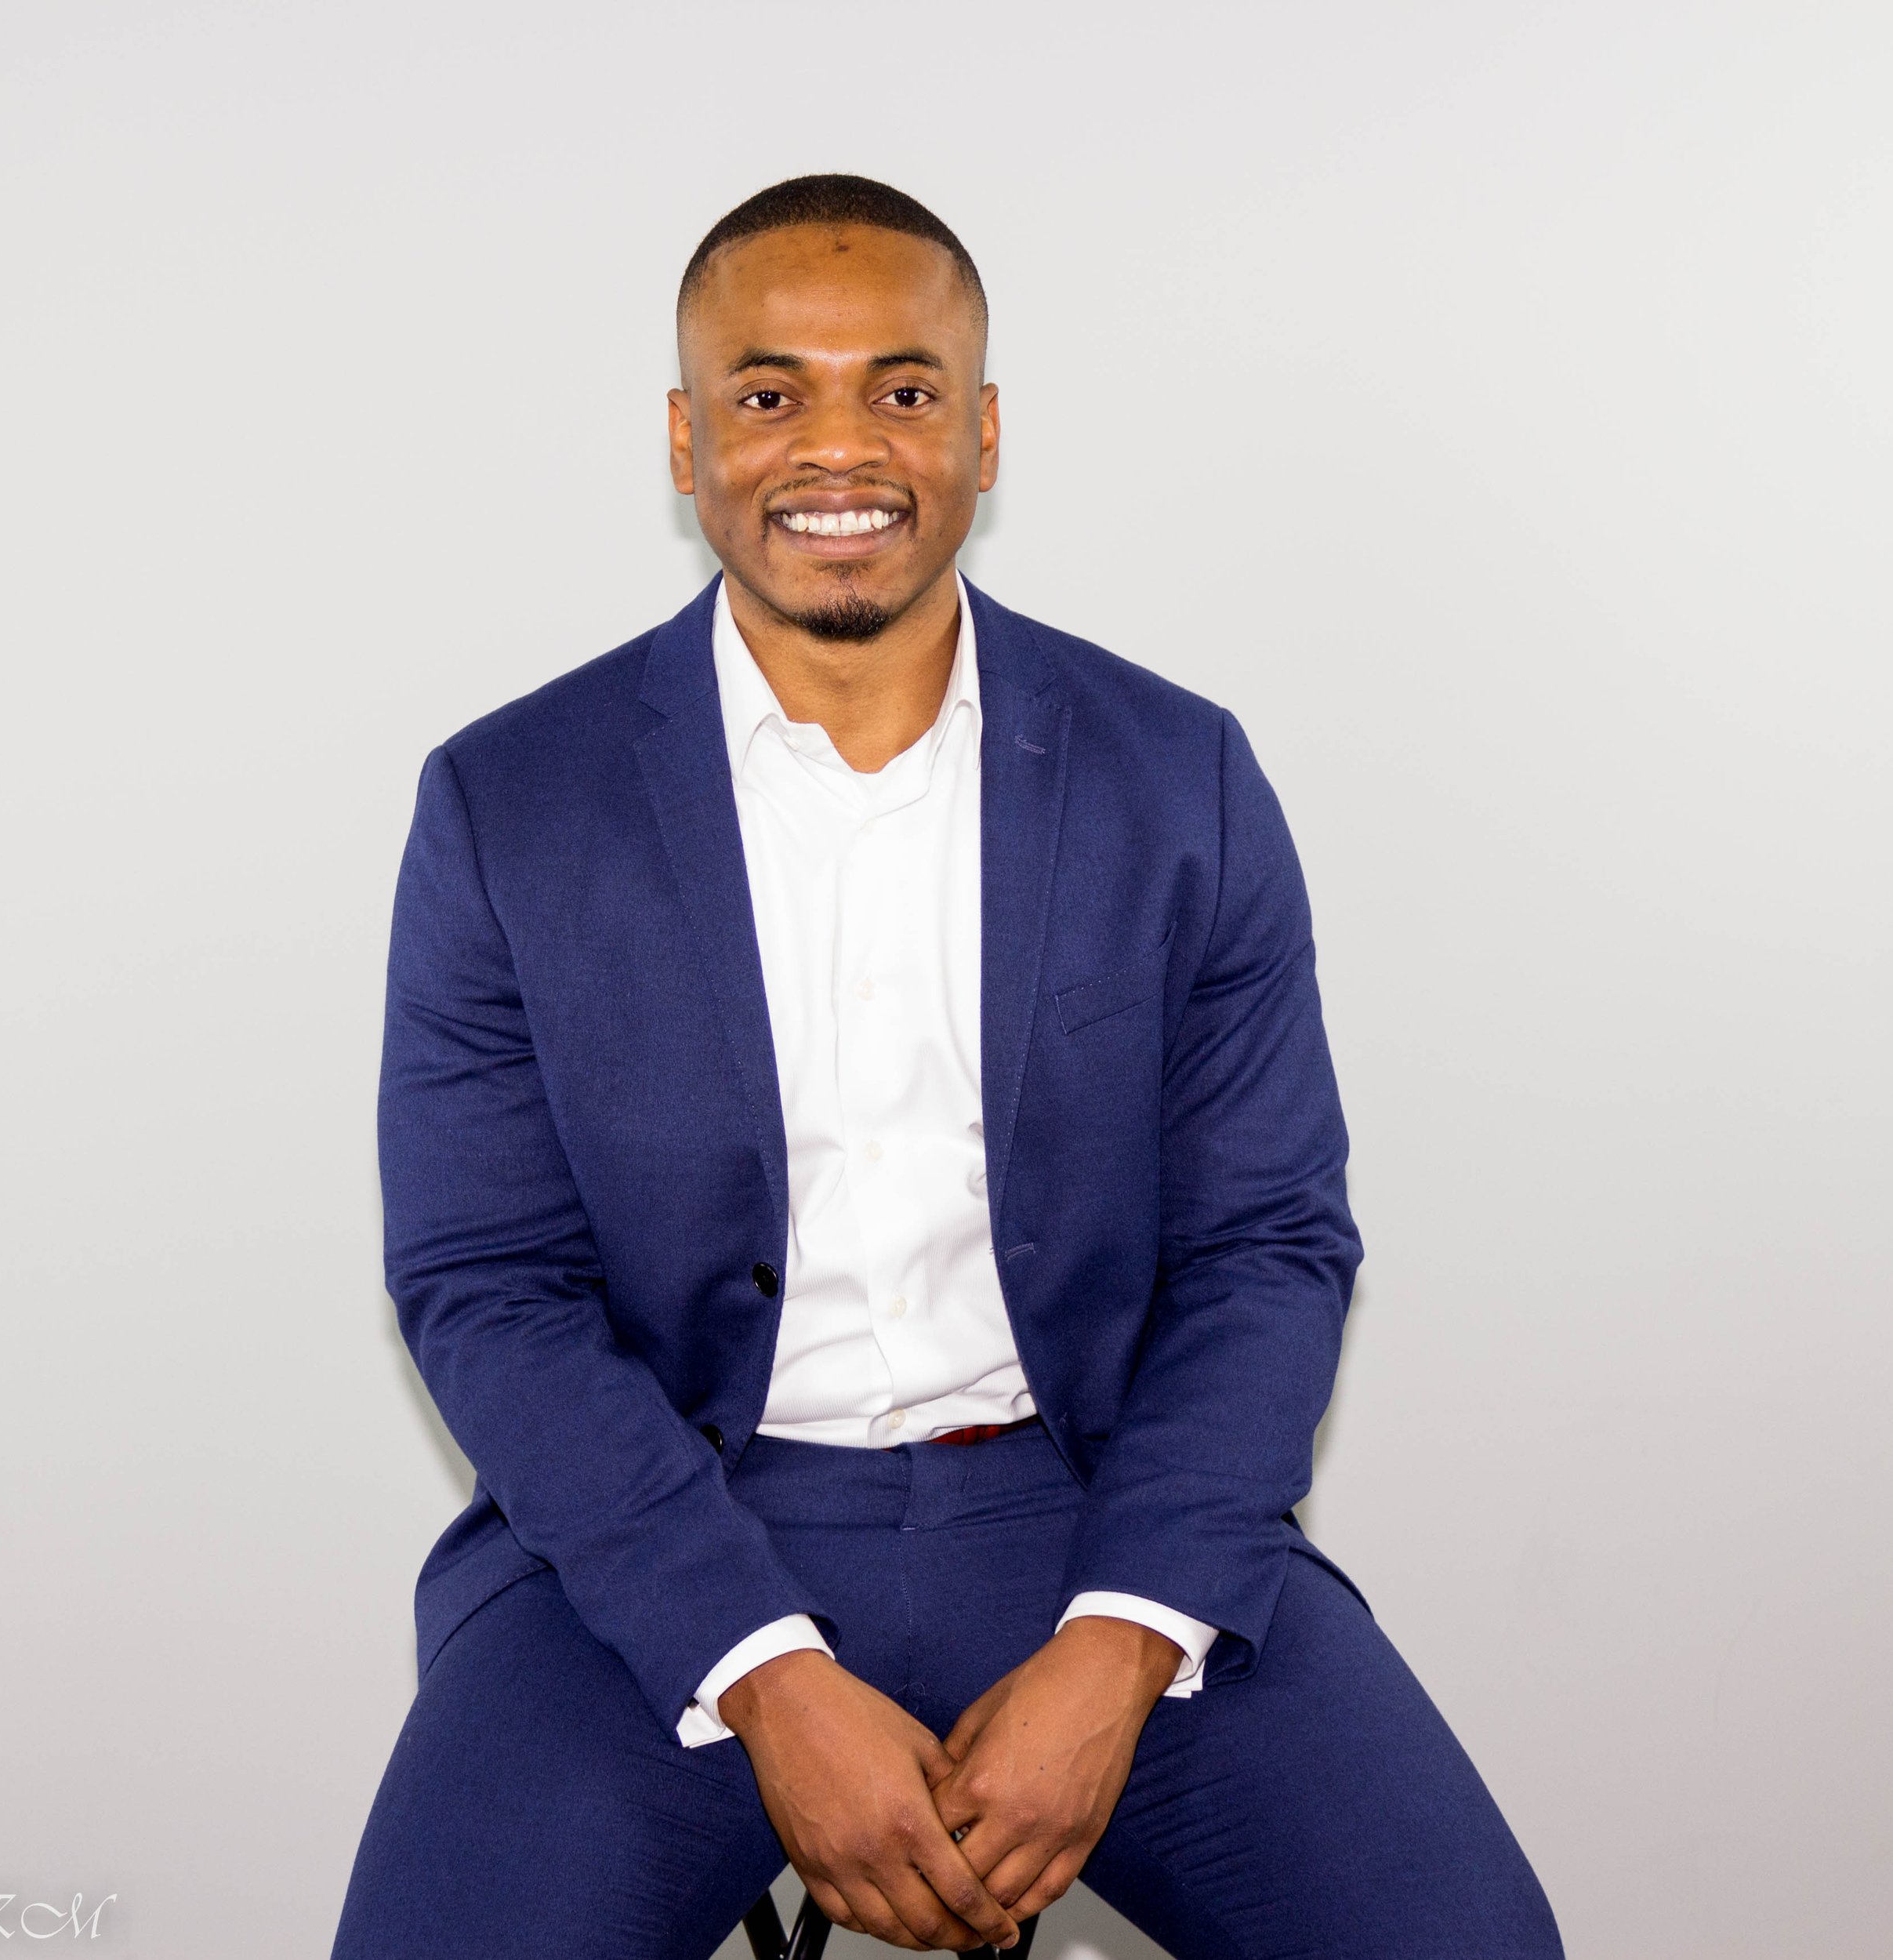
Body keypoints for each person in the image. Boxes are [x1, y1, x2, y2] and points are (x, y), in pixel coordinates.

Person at [331, 174, 1563, 1960]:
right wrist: (760, 1668)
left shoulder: (1179, 778)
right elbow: (485, 1283)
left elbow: (1266, 1247)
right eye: (769, 393)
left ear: (982, 433)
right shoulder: (507, 803)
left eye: (902, 390)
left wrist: (1124, 1636)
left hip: (1096, 1505)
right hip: (665, 1529)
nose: (839, 445)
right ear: (686, 442)